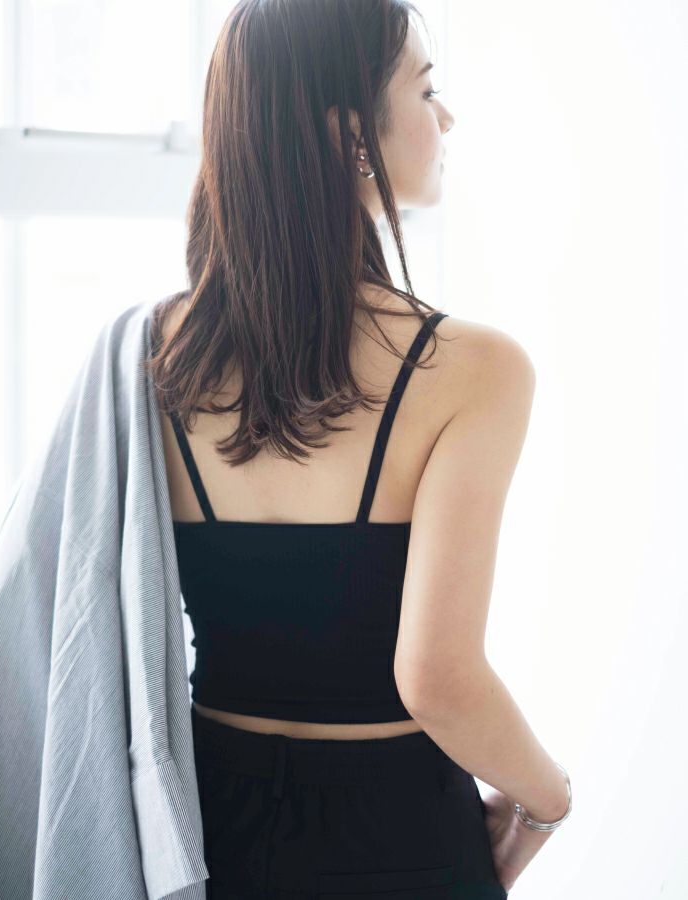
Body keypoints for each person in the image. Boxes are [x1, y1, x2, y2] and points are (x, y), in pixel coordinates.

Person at [145, 0, 572, 897]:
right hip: (397, 832)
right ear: (351, 139)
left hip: (202, 827)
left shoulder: (155, 353)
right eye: (425, 90)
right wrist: (546, 799)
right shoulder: (474, 369)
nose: (446, 119)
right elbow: (437, 677)